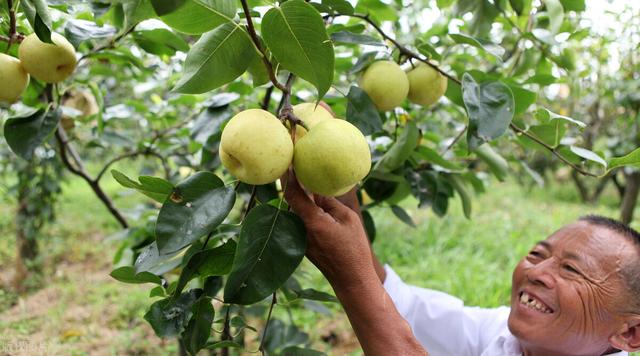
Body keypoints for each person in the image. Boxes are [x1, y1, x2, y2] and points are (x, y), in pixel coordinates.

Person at [282, 171, 640, 356]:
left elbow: (370, 294)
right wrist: (345, 200)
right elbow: (401, 307)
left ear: (629, 333)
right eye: (537, 254)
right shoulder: (505, 338)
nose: (537, 272)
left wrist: (350, 281)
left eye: (572, 271)